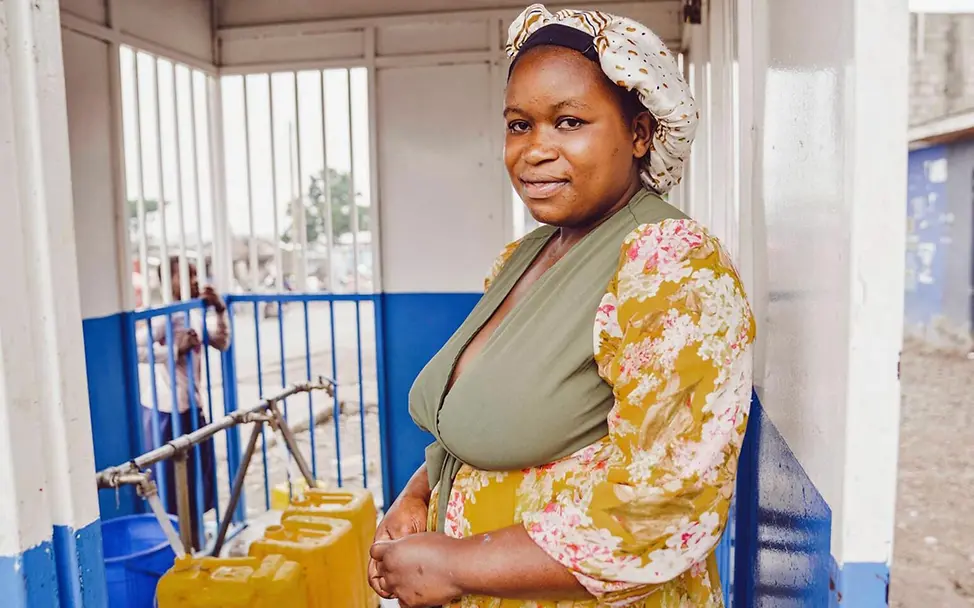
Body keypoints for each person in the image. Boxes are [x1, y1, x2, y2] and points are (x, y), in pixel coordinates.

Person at [367, 4, 755, 607]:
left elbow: (668, 507)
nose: (535, 151)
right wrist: (418, 494)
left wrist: (460, 566)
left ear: (640, 132)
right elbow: (470, 420)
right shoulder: (521, 257)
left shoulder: (668, 266)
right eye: (519, 125)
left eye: (569, 122)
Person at [136, 256, 231, 550]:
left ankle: (194, 539)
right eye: (185, 275)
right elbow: (136, 348)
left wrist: (219, 309)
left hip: (192, 406)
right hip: (167, 410)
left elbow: (221, 342)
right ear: (169, 282)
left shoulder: (194, 312)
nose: (193, 280)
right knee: (169, 485)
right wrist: (174, 349)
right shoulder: (165, 317)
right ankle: (175, 544)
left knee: (196, 480)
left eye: (195, 274)